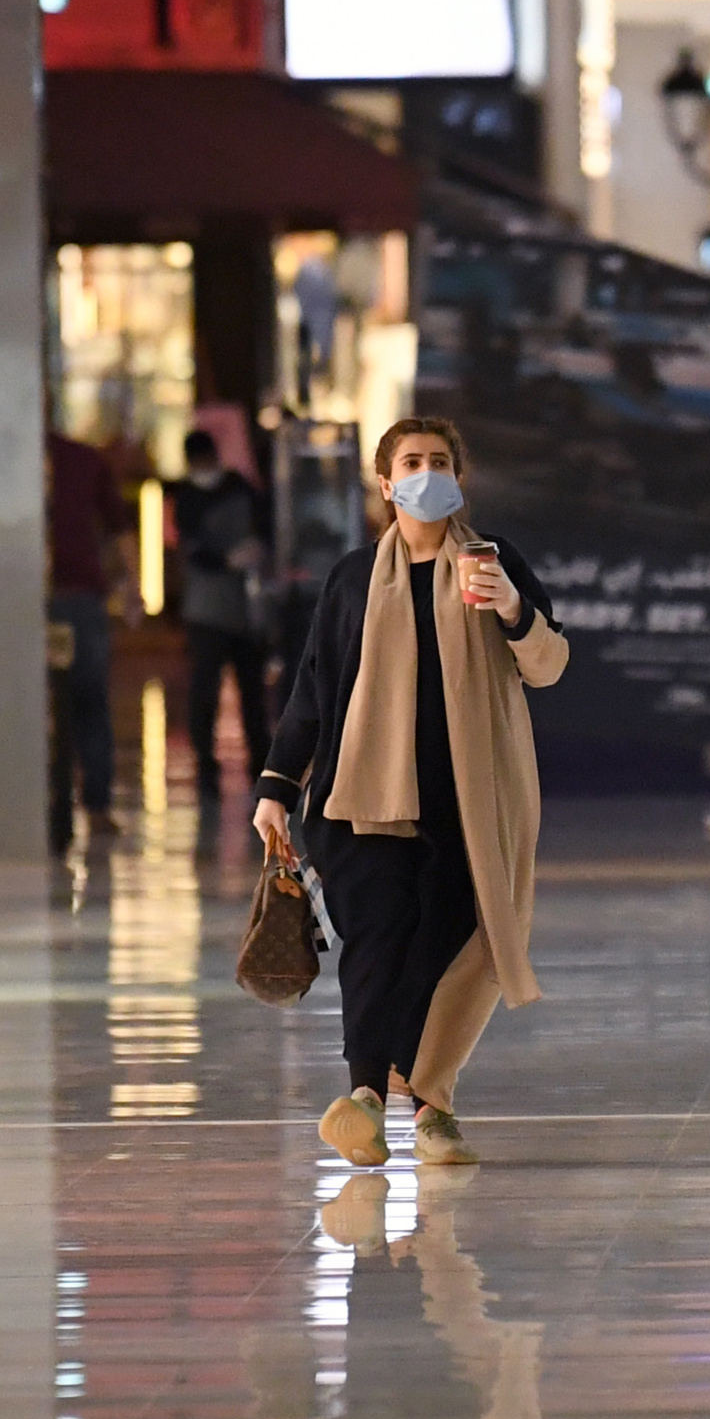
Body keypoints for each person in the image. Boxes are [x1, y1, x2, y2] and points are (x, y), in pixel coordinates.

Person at [254, 417, 567, 1171]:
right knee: (375, 940)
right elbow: (314, 689)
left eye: (440, 460)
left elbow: (549, 663)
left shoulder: (494, 562)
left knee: (448, 947)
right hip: (362, 797)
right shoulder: (353, 578)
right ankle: (366, 1097)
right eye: (412, 462)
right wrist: (276, 785)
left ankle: (429, 1099)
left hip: (467, 803)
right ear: (386, 484)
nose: (427, 473)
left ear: (459, 475)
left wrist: (511, 608)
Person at [172, 428, 271, 797]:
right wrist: (230, 559)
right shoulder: (192, 497)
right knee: (209, 691)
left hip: (238, 606)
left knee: (249, 691)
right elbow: (192, 548)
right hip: (211, 609)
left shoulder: (236, 488)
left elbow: (265, 528)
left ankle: (255, 766)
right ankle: (210, 770)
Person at [47, 427, 131, 840]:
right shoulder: (81, 459)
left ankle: (79, 804)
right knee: (88, 703)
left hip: (53, 599)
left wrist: (131, 586)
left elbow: (117, 526)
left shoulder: (78, 459)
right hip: (74, 599)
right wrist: (132, 586)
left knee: (76, 702)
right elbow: (118, 527)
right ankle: (92, 806)